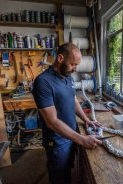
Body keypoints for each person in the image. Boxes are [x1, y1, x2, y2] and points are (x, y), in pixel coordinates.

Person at [32, 43, 102, 184]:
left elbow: (73, 100)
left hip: (71, 134)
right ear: (60, 58)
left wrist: (86, 119)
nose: (75, 69)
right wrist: (82, 139)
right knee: (59, 176)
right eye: (73, 64)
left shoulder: (68, 77)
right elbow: (51, 122)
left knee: (67, 170)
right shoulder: (43, 82)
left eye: (77, 65)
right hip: (57, 141)